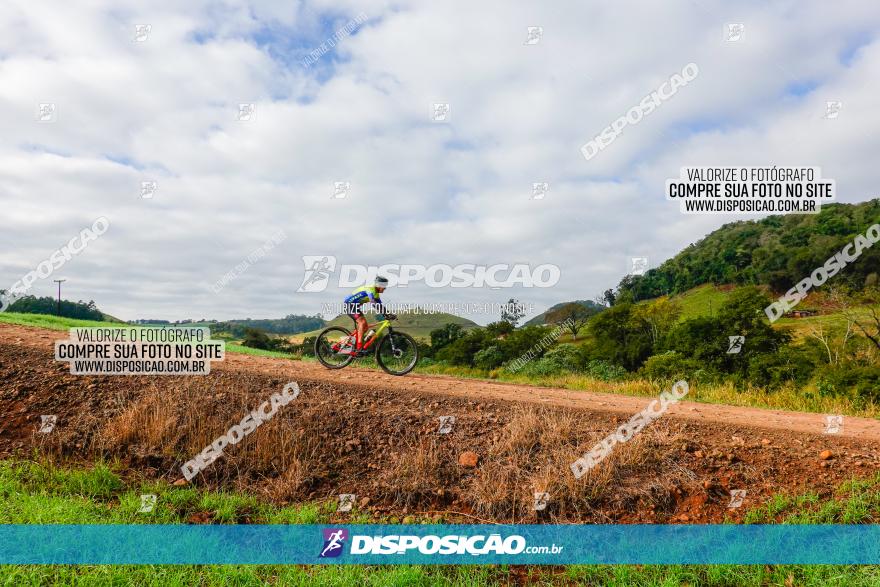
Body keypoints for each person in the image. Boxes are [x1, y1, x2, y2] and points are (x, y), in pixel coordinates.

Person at [342, 276, 396, 355]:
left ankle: (349, 344)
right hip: (349, 304)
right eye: (384, 287)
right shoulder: (370, 289)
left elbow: (380, 305)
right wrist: (386, 313)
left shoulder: (376, 294)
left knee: (365, 327)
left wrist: (388, 314)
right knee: (362, 323)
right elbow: (373, 303)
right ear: (379, 285)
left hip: (355, 306)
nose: (385, 289)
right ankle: (359, 348)